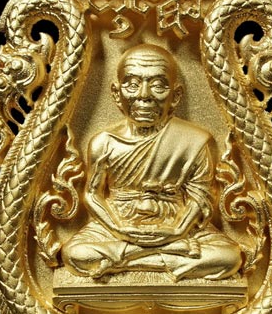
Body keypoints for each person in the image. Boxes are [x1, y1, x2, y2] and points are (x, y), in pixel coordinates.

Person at [61, 44, 243, 281]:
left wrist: (177, 231)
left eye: (158, 85)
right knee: (74, 253)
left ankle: (127, 258)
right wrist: (118, 229)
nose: (144, 95)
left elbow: (201, 197)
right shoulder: (103, 142)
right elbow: (93, 194)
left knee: (229, 257)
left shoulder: (194, 140)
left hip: (180, 227)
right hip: (117, 225)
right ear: (116, 93)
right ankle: (165, 256)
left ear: (175, 96)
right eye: (132, 85)